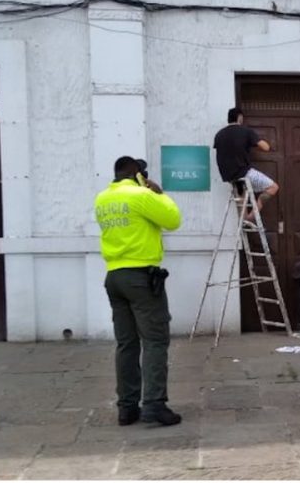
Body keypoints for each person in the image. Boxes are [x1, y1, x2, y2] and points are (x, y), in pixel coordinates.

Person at [94, 156, 183, 426]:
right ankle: (154, 405)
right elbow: (173, 220)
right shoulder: (140, 195)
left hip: (114, 276)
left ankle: (127, 407)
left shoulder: (102, 199)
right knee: (155, 341)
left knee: (126, 344)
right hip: (141, 278)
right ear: (138, 175)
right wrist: (158, 193)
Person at [213, 108, 279, 216]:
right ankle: (251, 216)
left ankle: (244, 220)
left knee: (242, 198)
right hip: (244, 173)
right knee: (273, 187)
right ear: (240, 117)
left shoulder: (219, 134)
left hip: (228, 176)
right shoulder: (246, 131)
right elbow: (265, 147)